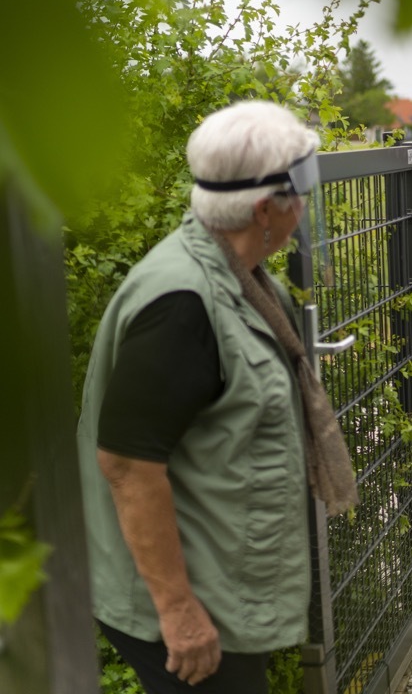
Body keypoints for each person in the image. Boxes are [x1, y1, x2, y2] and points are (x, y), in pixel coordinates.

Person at [76, 100, 358, 693]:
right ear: (264, 209)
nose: (306, 208)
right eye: (300, 192)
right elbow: (127, 465)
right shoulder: (182, 305)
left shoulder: (239, 278)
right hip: (184, 604)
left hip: (218, 580)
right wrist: (179, 613)